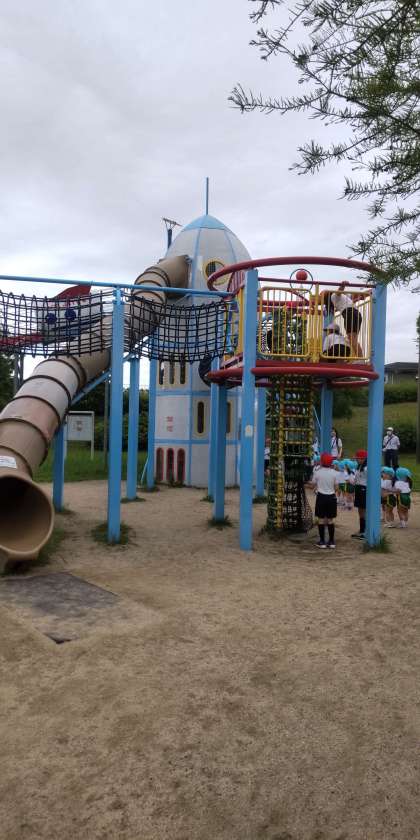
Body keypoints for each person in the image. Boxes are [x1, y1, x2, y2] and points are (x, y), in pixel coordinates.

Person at [310, 452, 341, 549]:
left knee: (321, 519)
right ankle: (331, 541)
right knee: (330, 520)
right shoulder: (335, 473)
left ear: (321, 462)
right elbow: (337, 487)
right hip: (331, 497)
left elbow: (313, 484)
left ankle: (322, 541)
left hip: (321, 497)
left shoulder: (317, 472)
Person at [324, 282, 363, 356]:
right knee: (353, 339)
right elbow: (350, 302)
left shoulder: (333, 296)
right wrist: (358, 299)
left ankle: (361, 358)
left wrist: (343, 284)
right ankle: (360, 357)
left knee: (352, 339)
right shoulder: (342, 298)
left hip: (349, 314)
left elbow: (339, 291)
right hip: (357, 313)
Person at [350, 449, 368, 539]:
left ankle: (365, 531)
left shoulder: (366, 468)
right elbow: (356, 479)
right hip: (358, 488)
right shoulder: (359, 466)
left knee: (364, 510)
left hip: (364, 489)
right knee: (360, 511)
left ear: (363, 458)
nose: (356, 460)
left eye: (358, 458)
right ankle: (362, 530)